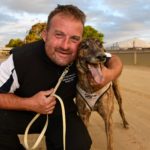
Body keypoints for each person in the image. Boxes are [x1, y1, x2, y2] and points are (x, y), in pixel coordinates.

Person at [0, 4, 123, 150]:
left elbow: (113, 59)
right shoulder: (19, 59)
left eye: (74, 38)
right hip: (25, 113)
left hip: (62, 115)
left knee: (79, 145)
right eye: (59, 35)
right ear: (45, 35)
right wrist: (29, 103)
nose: (65, 46)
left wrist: (111, 75)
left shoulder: (81, 53)